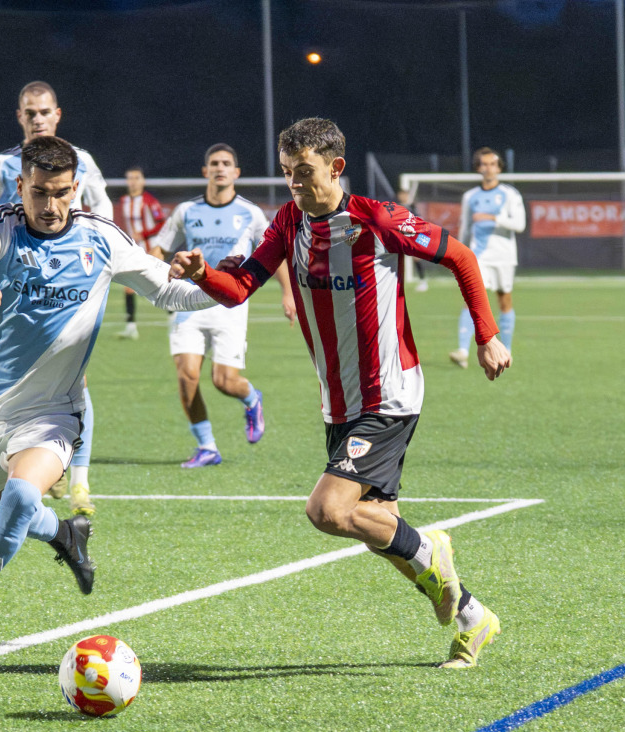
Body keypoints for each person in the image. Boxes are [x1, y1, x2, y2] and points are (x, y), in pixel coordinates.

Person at [169, 118, 511, 668]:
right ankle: (473, 616)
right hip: (340, 401)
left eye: (303, 173)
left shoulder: (376, 220)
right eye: (286, 174)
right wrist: (204, 271)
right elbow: (239, 289)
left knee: (327, 510)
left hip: (389, 392)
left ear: (336, 167)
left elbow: (462, 258)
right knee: (380, 530)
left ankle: (435, 553)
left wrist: (488, 335)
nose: (294, 185)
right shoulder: (288, 222)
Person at [0, 136, 215, 665]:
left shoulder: (101, 240)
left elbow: (170, 294)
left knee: (19, 502)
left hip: (54, 411)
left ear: (75, 188)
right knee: (1, 521)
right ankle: (67, 535)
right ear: (20, 187)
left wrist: (218, 280)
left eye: (59, 193)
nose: (50, 206)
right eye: (38, 193)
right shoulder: (1, 229)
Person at [0, 80, 112, 515]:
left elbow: (104, 209)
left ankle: (79, 482)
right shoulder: (1, 165)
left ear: (57, 114)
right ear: (20, 117)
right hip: (7, 284)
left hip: (68, 280)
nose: (37, 119)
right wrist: (2, 224)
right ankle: (31, 460)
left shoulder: (81, 162)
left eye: (44, 112)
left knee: (73, 377)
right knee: (6, 365)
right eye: (30, 113)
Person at [149, 144, 295, 468]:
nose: (219, 168)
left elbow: (272, 252)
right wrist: (151, 274)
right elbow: (159, 248)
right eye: (214, 163)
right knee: (187, 376)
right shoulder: (186, 211)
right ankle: (207, 448)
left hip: (230, 302)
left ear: (236, 173)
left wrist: (288, 294)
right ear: (205, 171)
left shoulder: (251, 213)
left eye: (226, 163)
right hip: (188, 299)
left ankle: (251, 398)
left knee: (223, 380)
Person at [448, 147, 525, 369]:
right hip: (478, 256)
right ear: (478, 168)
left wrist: (493, 217)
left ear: (499, 168)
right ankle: (462, 350)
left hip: (504, 257)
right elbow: (465, 227)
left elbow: (520, 225)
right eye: (484, 164)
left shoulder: (511, 194)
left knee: (504, 301)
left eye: (493, 164)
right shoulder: (470, 197)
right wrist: (458, 253)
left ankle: (506, 351)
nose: (488, 168)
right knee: (471, 299)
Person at [114, 165, 167, 340]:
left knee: (158, 284)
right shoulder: (124, 200)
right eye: (130, 178)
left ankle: (175, 316)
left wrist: (144, 235)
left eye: (136, 178)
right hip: (134, 250)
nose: (133, 182)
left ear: (142, 181)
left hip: (150, 249)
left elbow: (162, 223)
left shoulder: (149, 201)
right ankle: (131, 326)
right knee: (129, 287)